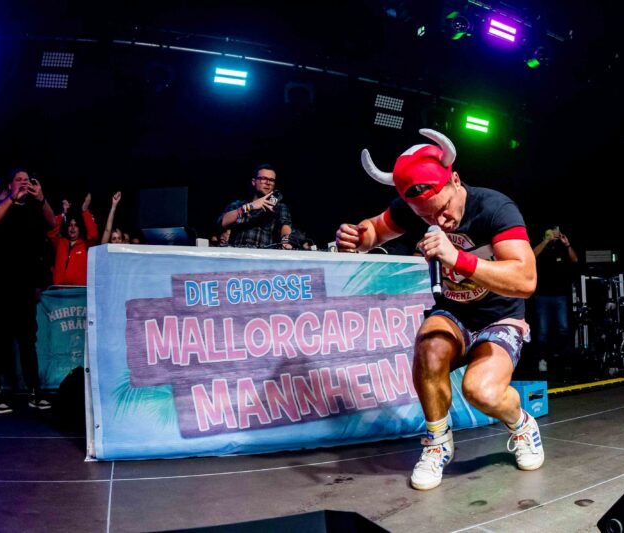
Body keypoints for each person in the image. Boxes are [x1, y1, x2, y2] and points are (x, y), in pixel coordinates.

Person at [335, 129, 541, 491]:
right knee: (429, 345)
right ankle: (437, 442)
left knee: (481, 392)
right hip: (455, 314)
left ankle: (522, 424)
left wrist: (457, 258)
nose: (440, 221)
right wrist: (356, 237)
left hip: (500, 317)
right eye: (428, 217)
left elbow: (525, 279)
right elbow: (375, 230)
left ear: (455, 180)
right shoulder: (416, 207)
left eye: (444, 210)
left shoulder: (494, 207)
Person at [0, 168, 56, 413]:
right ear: (10, 185)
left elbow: (52, 222)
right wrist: (11, 200)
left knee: (27, 341)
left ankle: (34, 391)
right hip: (1, 287)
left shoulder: (34, 209)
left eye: (27, 179)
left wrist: (42, 198)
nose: (24, 183)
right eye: (19, 180)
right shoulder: (3, 207)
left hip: (24, 288)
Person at [531, 226, 579, 373]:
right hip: (542, 296)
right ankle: (542, 359)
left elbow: (575, 260)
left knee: (563, 329)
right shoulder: (541, 249)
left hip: (560, 296)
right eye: (549, 234)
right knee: (542, 331)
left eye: (554, 235)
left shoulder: (561, 249)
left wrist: (567, 244)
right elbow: (531, 256)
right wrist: (545, 241)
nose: (552, 237)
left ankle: (565, 360)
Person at [217, 164, 293, 249]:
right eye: (264, 179)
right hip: (236, 251)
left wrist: (285, 242)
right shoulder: (238, 204)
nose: (268, 183)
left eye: (271, 180)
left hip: (262, 253)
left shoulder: (279, 207)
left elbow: (285, 226)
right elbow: (221, 222)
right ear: (254, 182)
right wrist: (251, 206)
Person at [48, 193, 99, 285]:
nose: (72, 228)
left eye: (75, 225)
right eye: (70, 225)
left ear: (79, 229)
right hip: (59, 290)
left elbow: (93, 235)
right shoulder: (61, 243)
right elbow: (52, 233)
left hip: (78, 291)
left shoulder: (86, 246)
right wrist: (63, 214)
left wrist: (85, 210)